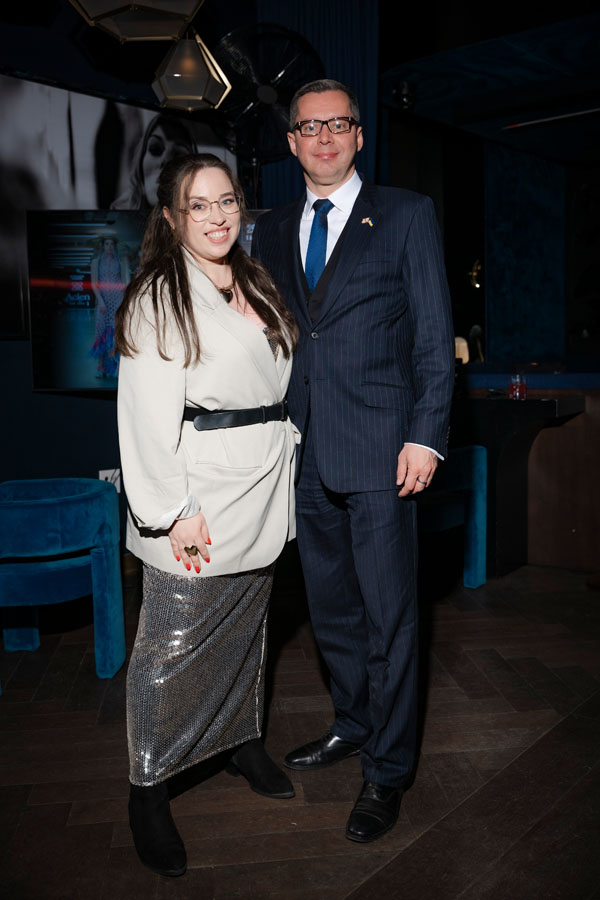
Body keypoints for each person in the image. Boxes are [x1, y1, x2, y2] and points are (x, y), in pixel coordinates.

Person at [252, 79, 455, 843]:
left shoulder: (405, 214)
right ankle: (353, 721)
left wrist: (426, 435)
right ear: (292, 142)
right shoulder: (272, 228)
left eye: (338, 124)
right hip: (301, 451)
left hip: (382, 452)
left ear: (359, 136)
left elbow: (433, 336)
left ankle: (388, 770)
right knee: (330, 608)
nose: (325, 138)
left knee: (390, 617)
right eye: (309, 127)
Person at [115, 152, 299, 877]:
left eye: (226, 201)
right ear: (171, 219)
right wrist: (172, 512)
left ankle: (240, 742)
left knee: (248, 630)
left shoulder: (251, 278)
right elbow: (144, 417)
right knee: (169, 650)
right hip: (201, 501)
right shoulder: (159, 296)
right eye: (199, 205)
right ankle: (147, 788)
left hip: (262, 486)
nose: (218, 216)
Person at [111, 114, 196, 210]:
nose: (165, 160)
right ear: (140, 162)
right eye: (155, 149)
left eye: (178, 157)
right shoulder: (117, 214)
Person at [90, 236, 129, 377]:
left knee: (117, 332)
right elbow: (94, 283)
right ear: (103, 245)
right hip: (103, 299)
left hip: (118, 298)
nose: (109, 246)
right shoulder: (96, 262)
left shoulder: (121, 261)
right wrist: (100, 300)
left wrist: (124, 301)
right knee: (101, 332)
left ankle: (118, 366)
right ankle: (101, 366)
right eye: (107, 244)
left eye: (112, 244)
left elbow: (125, 282)